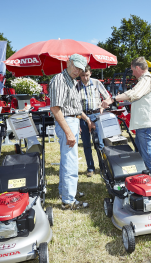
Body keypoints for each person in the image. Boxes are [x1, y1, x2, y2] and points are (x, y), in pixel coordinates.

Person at [101, 57, 151, 187]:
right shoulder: (146, 80)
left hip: (146, 123)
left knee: (148, 154)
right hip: (144, 123)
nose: (132, 73)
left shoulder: (147, 79)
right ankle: (148, 179)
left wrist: (113, 99)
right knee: (143, 153)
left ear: (138, 68)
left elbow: (134, 94)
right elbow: (135, 97)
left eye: (132, 70)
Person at [49, 54, 90, 210]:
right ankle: (68, 200)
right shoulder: (60, 80)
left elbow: (72, 107)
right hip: (67, 122)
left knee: (68, 160)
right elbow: (55, 109)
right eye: (75, 67)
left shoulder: (72, 80)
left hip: (72, 121)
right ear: (68, 63)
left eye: (80, 68)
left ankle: (66, 192)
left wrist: (78, 121)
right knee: (70, 162)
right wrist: (69, 131)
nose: (77, 71)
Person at [78, 65, 110, 177]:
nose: (85, 78)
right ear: (79, 75)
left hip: (96, 115)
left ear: (90, 73)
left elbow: (107, 97)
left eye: (87, 75)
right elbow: (76, 107)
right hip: (83, 116)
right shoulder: (76, 86)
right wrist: (85, 120)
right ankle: (90, 168)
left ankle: (103, 166)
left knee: (99, 143)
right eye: (82, 75)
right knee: (86, 144)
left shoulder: (96, 83)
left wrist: (102, 108)